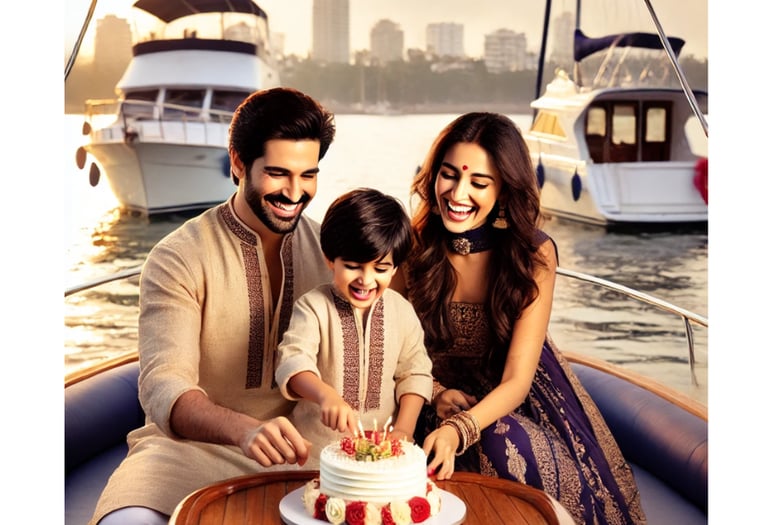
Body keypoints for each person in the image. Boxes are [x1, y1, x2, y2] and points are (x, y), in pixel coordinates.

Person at [89, 87, 337, 525]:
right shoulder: (177, 256)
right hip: (188, 452)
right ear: (238, 162)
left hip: (306, 455)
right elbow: (165, 387)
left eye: (308, 175)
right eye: (278, 173)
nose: (295, 192)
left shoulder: (332, 252)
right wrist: (244, 430)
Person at [394, 112, 647, 525]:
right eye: (448, 176)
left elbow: (517, 380)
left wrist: (461, 428)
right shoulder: (413, 245)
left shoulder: (533, 254)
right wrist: (437, 392)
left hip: (516, 397)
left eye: (479, 183)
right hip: (428, 395)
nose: (458, 194)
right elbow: (391, 346)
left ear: (504, 191)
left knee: (500, 442)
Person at [275, 188, 433, 467]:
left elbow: (415, 373)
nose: (366, 280)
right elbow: (293, 361)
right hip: (315, 455)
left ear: (395, 268)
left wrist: (404, 431)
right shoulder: (312, 306)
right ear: (329, 259)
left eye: (381, 269)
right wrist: (326, 396)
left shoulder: (402, 311)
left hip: (384, 455)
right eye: (352, 266)